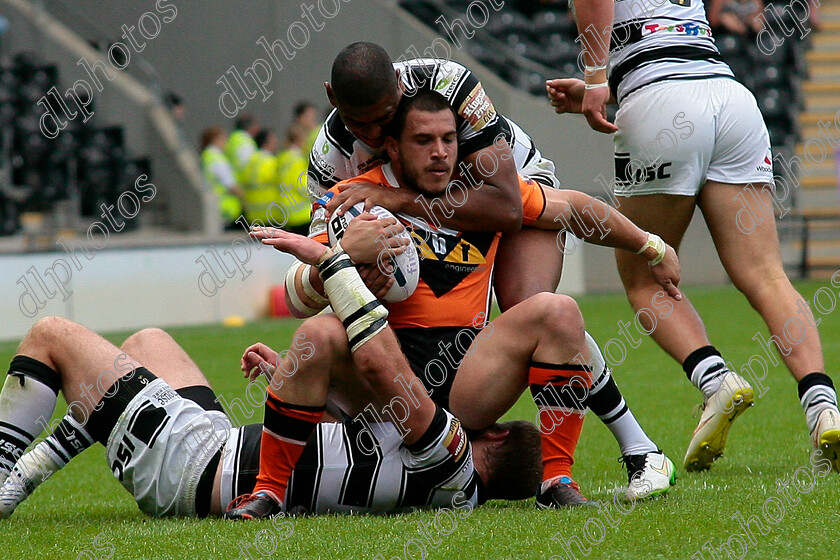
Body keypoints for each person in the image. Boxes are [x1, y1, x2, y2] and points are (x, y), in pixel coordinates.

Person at [235, 90, 678, 517]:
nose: (440, 153)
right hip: (380, 374)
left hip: (466, 378)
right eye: (423, 141)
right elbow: (296, 297)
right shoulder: (353, 197)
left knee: (556, 311)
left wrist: (651, 247)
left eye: (449, 139)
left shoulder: (479, 198)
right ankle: (268, 493)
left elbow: (575, 209)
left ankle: (557, 481)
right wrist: (341, 256)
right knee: (317, 334)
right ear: (392, 146)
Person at [546, 0, 840, 473]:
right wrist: (604, 86)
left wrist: (598, 79)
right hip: (730, 97)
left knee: (644, 276)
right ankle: (823, 405)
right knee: (766, 274)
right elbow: (665, 42)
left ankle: (716, 381)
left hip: (660, 100)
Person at [0, 314, 540, 518]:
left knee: (50, 335)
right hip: (217, 446)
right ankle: (48, 454)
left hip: (192, 466)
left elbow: (347, 345)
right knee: (146, 340)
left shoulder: (451, 459)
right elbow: (341, 451)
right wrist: (292, 376)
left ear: (491, 433)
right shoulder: (440, 483)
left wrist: (335, 261)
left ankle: (9, 477)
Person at [199, 126, 244, 229]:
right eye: (224, 139)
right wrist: (244, 198)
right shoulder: (217, 159)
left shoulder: (206, 156)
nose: (226, 142)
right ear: (216, 140)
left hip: (215, 205)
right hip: (225, 207)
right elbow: (230, 184)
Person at [275, 124, 313, 235]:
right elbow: (302, 186)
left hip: (285, 210)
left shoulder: (282, 158)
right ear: (298, 139)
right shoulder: (297, 160)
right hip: (301, 212)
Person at [242, 128, 282, 225]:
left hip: (252, 213)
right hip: (269, 212)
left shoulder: (251, 160)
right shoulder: (270, 162)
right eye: (273, 139)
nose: (276, 142)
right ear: (266, 142)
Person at [225, 113, 260, 185]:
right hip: (241, 183)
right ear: (251, 127)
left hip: (233, 179)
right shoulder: (245, 142)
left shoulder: (233, 138)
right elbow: (246, 164)